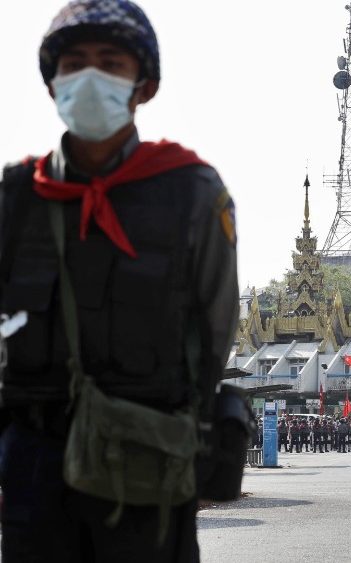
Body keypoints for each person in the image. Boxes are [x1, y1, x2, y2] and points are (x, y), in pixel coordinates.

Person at [0, 1, 239, 560]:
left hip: (149, 462)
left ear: (144, 85)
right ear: (51, 81)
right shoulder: (16, 199)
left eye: (110, 62)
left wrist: (193, 449)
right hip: (35, 468)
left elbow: (213, 338)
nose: (89, 76)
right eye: (74, 62)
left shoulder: (192, 194)